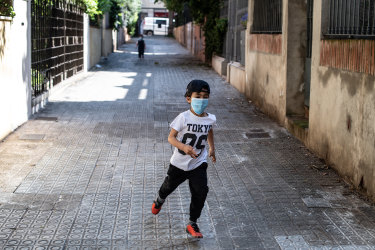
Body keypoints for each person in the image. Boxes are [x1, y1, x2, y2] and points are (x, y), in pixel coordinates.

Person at [151, 79, 216, 238]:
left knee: (201, 192)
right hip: (179, 165)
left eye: (205, 97)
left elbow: (209, 131)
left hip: (198, 164)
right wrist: (184, 147)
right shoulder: (183, 117)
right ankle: (160, 199)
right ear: (188, 99)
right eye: (197, 96)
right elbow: (171, 138)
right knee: (168, 187)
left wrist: (212, 147)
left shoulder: (210, 118)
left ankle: (192, 223)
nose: (201, 100)